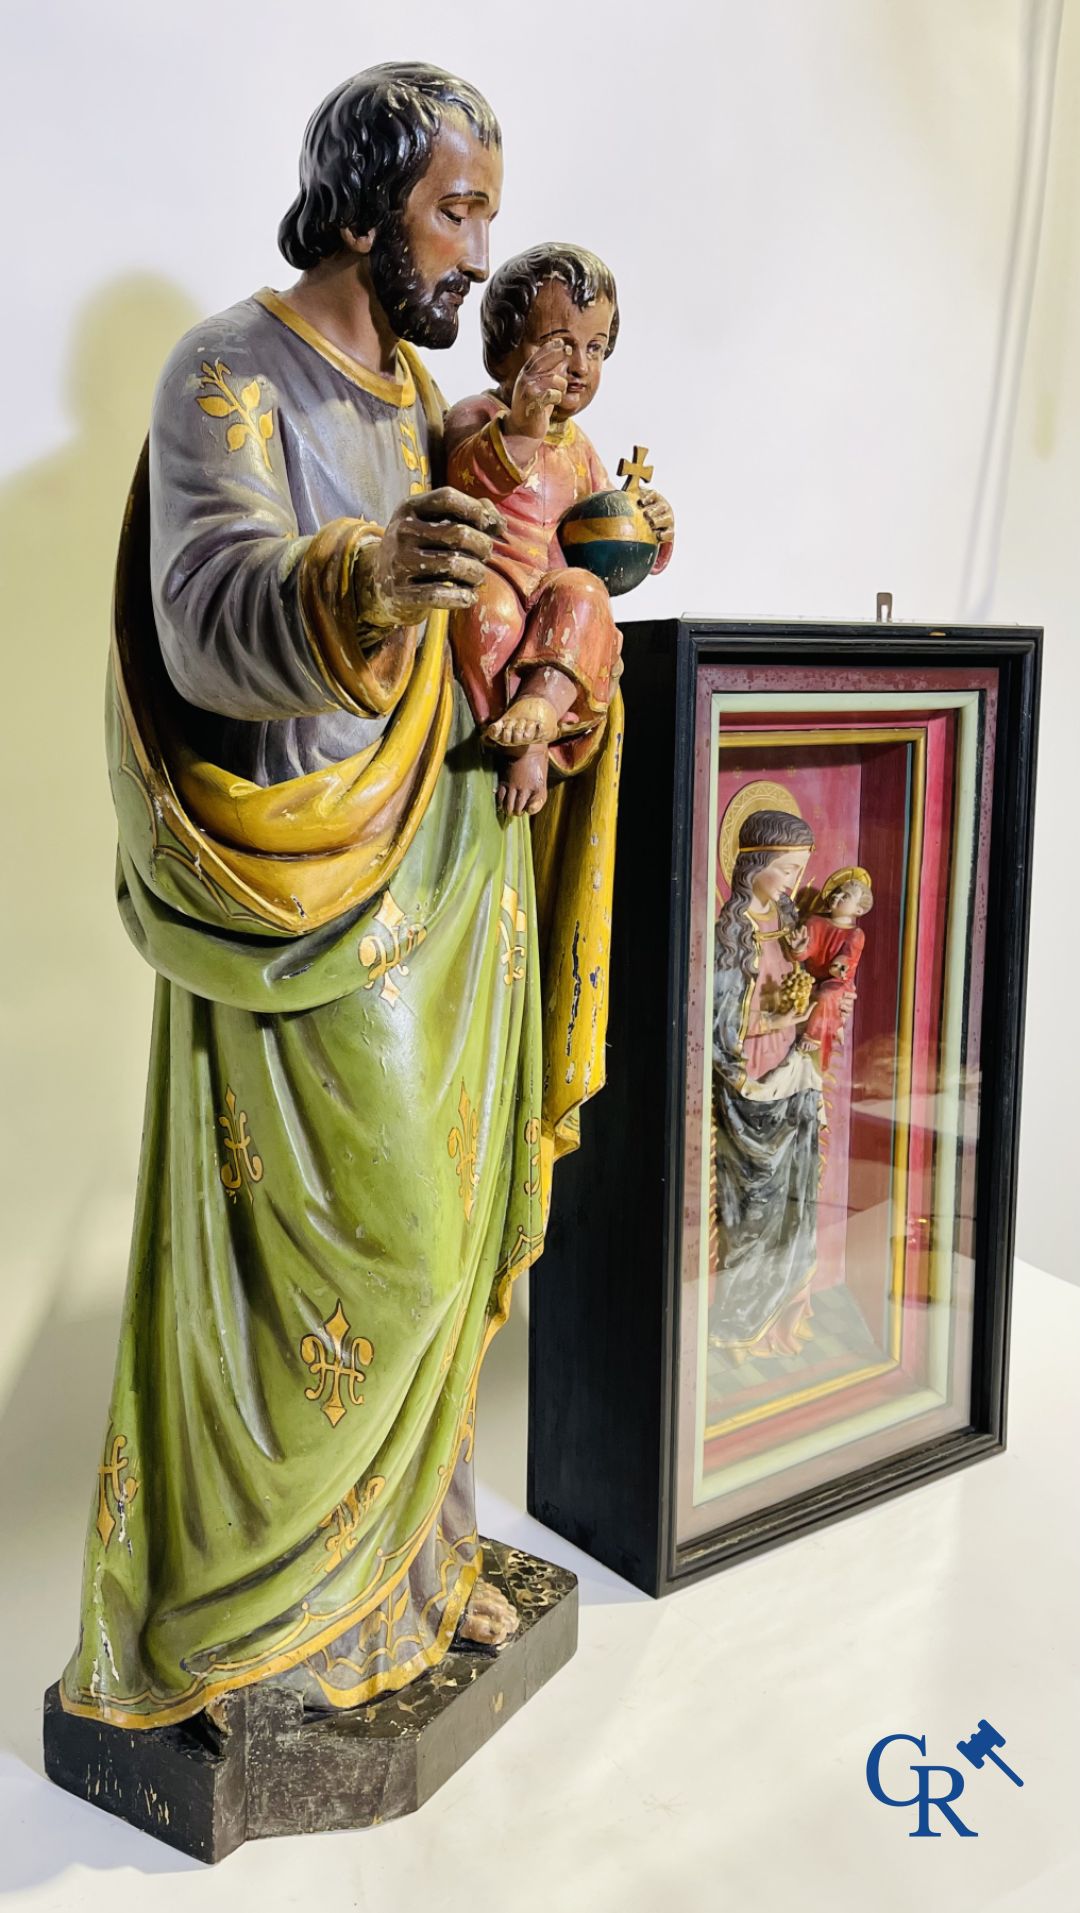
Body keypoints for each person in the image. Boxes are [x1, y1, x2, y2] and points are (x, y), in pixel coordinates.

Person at [60, 63, 619, 1732]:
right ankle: (264, 1617)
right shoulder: (229, 370)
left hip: (459, 878)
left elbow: (533, 574)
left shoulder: (421, 405)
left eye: (489, 218)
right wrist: (363, 576)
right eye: (456, 212)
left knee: (447, 1257)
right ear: (364, 206)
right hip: (308, 894)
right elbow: (202, 606)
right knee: (373, 1248)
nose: (476, 254)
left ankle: (401, 1577)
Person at [443, 244, 675, 815]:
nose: (580, 366)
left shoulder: (581, 450)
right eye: (560, 344)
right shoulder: (478, 415)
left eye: (595, 349)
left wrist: (650, 528)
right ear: (505, 350)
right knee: (486, 611)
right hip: (495, 577)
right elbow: (463, 482)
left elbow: (604, 538)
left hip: (558, 604)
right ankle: (511, 734)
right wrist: (522, 429)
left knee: (585, 592)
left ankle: (541, 714)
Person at [711, 810, 830, 1360]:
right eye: (785, 868)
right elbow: (720, 1026)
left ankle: (781, 1319)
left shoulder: (789, 928)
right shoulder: (731, 935)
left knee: (794, 1201)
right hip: (748, 1085)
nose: (795, 881)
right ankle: (737, 1322)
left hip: (791, 1077)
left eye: (801, 868)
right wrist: (784, 1020)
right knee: (753, 1211)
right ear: (753, 863)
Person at [789, 867, 873, 1071]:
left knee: (827, 995)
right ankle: (833, 1025)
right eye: (838, 891)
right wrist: (798, 949)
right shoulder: (815, 922)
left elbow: (847, 957)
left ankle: (814, 1037)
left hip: (838, 983)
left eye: (846, 896)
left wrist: (839, 968)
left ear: (858, 911)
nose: (838, 895)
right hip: (812, 978)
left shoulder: (855, 933)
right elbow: (804, 953)